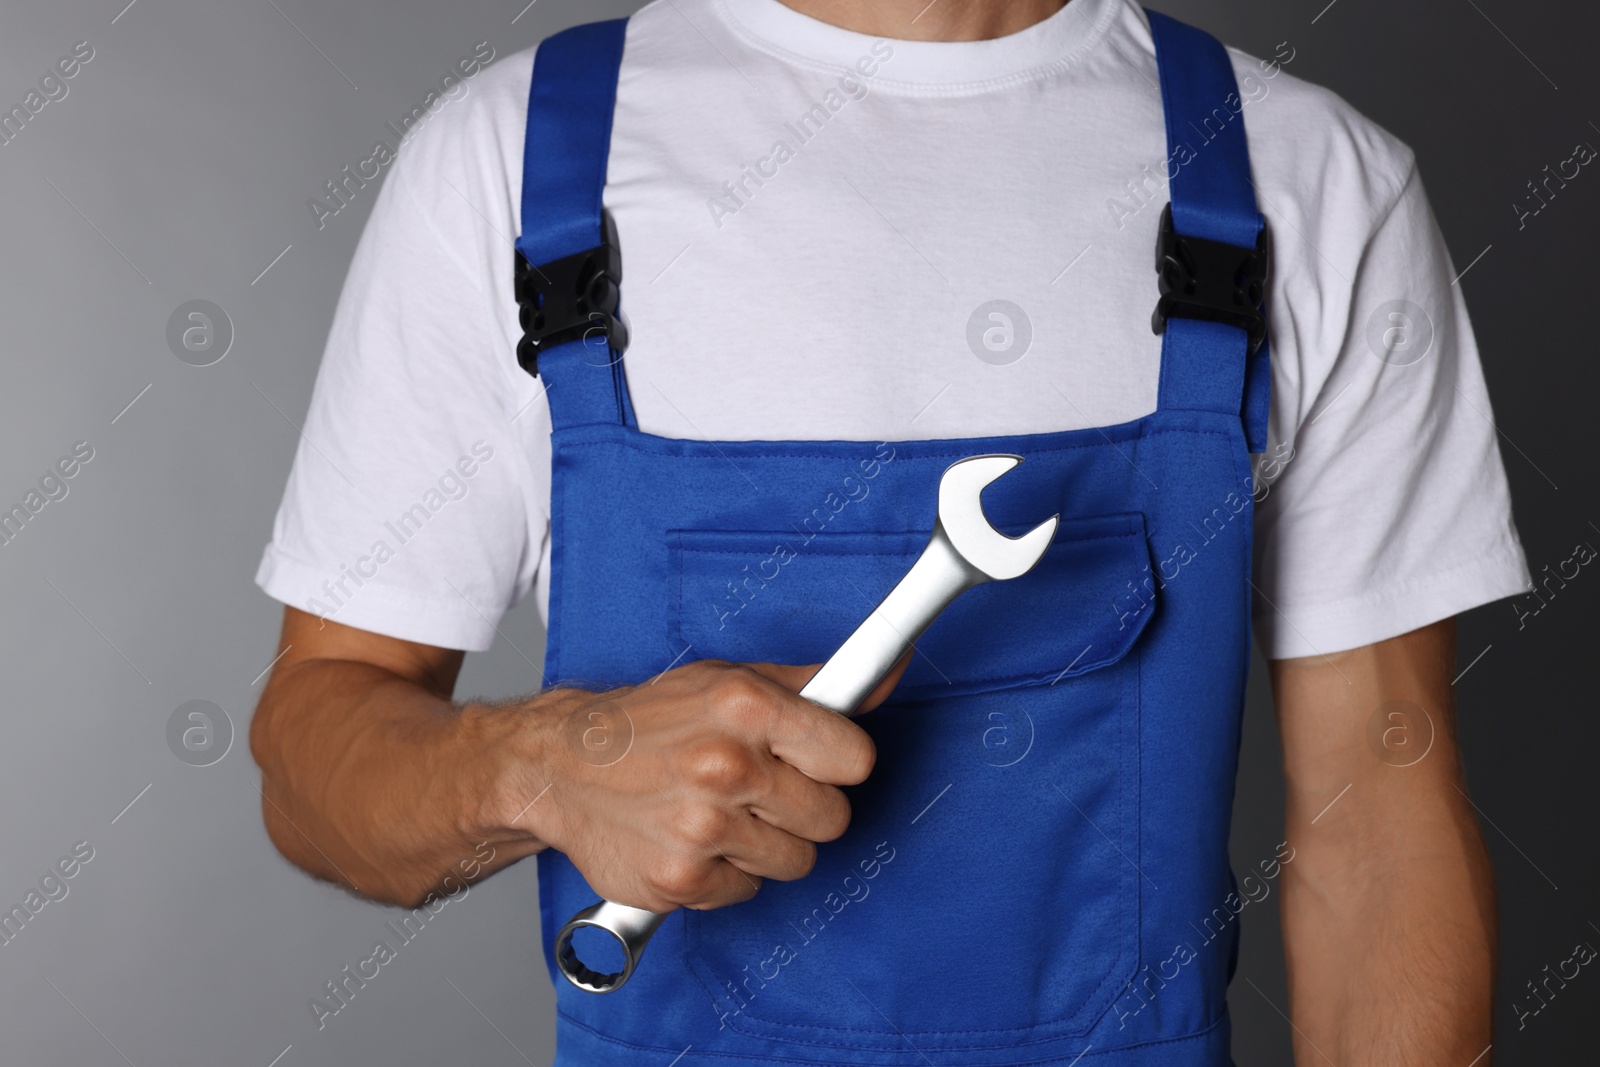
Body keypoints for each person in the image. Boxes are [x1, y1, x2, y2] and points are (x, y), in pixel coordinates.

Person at [250, 1, 1528, 1063]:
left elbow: (1379, 824)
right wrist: (541, 763)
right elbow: (314, 763)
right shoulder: (513, 162)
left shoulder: (1303, 176)